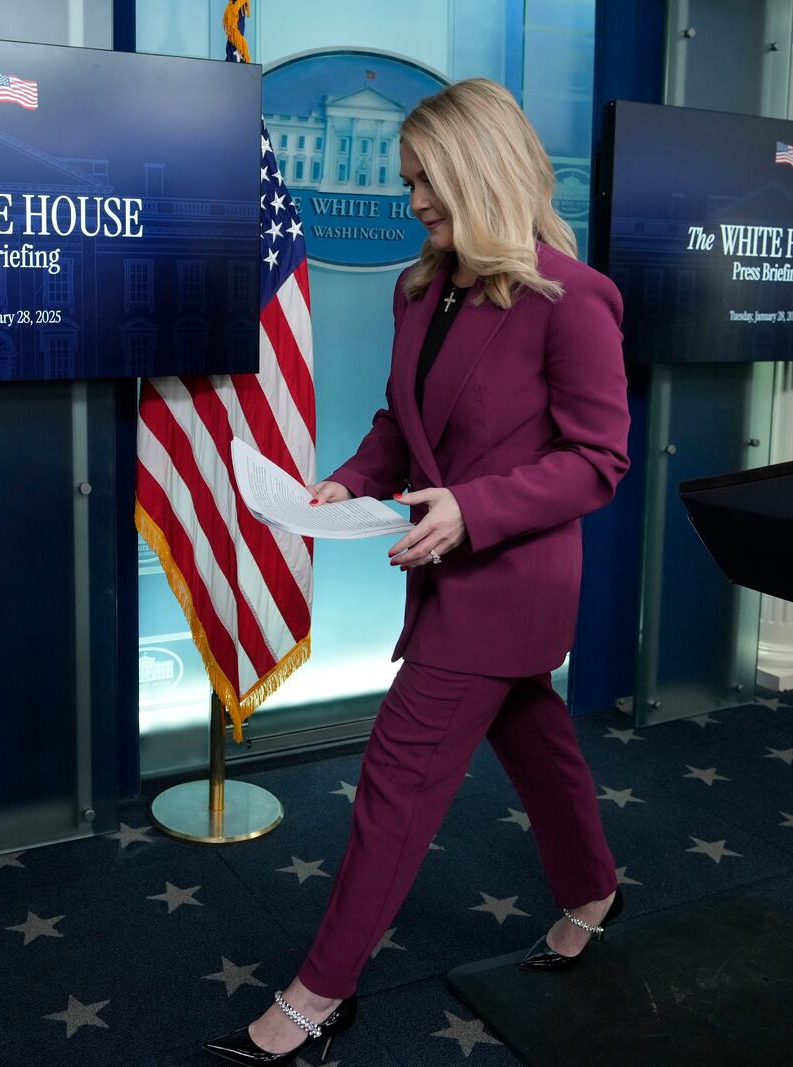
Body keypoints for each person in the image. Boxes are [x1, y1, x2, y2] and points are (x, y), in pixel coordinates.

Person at [203, 77, 631, 1066]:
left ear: (481, 169)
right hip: (443, 572)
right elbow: (404, 422)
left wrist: (472, 508)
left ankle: (316, 997)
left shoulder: (573, 298)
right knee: (537, 743)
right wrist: (343, 482)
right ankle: (593, 887)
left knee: (394, 779)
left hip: (507, 580)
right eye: (405, 183)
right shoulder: (419, 286)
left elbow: (597, 459)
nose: (413, 203)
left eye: (425, 181)